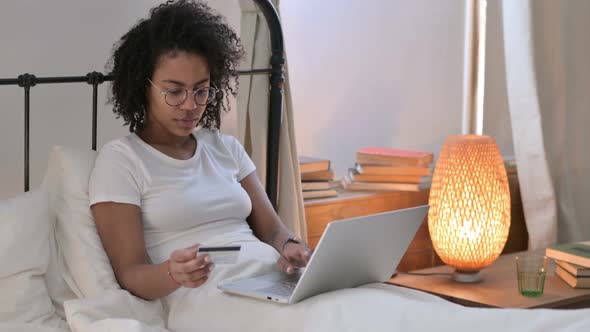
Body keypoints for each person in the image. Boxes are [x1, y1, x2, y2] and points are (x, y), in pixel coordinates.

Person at [89, 0, 309, 303]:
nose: (191, 105)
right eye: (175, 91)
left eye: (202, 90)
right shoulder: (122, 160)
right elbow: (131, 274)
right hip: (205, 293)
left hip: (270, 281)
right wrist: (173, 273)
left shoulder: (225, 147)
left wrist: (290, 246)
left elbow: (273, 232)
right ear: (143, 87)